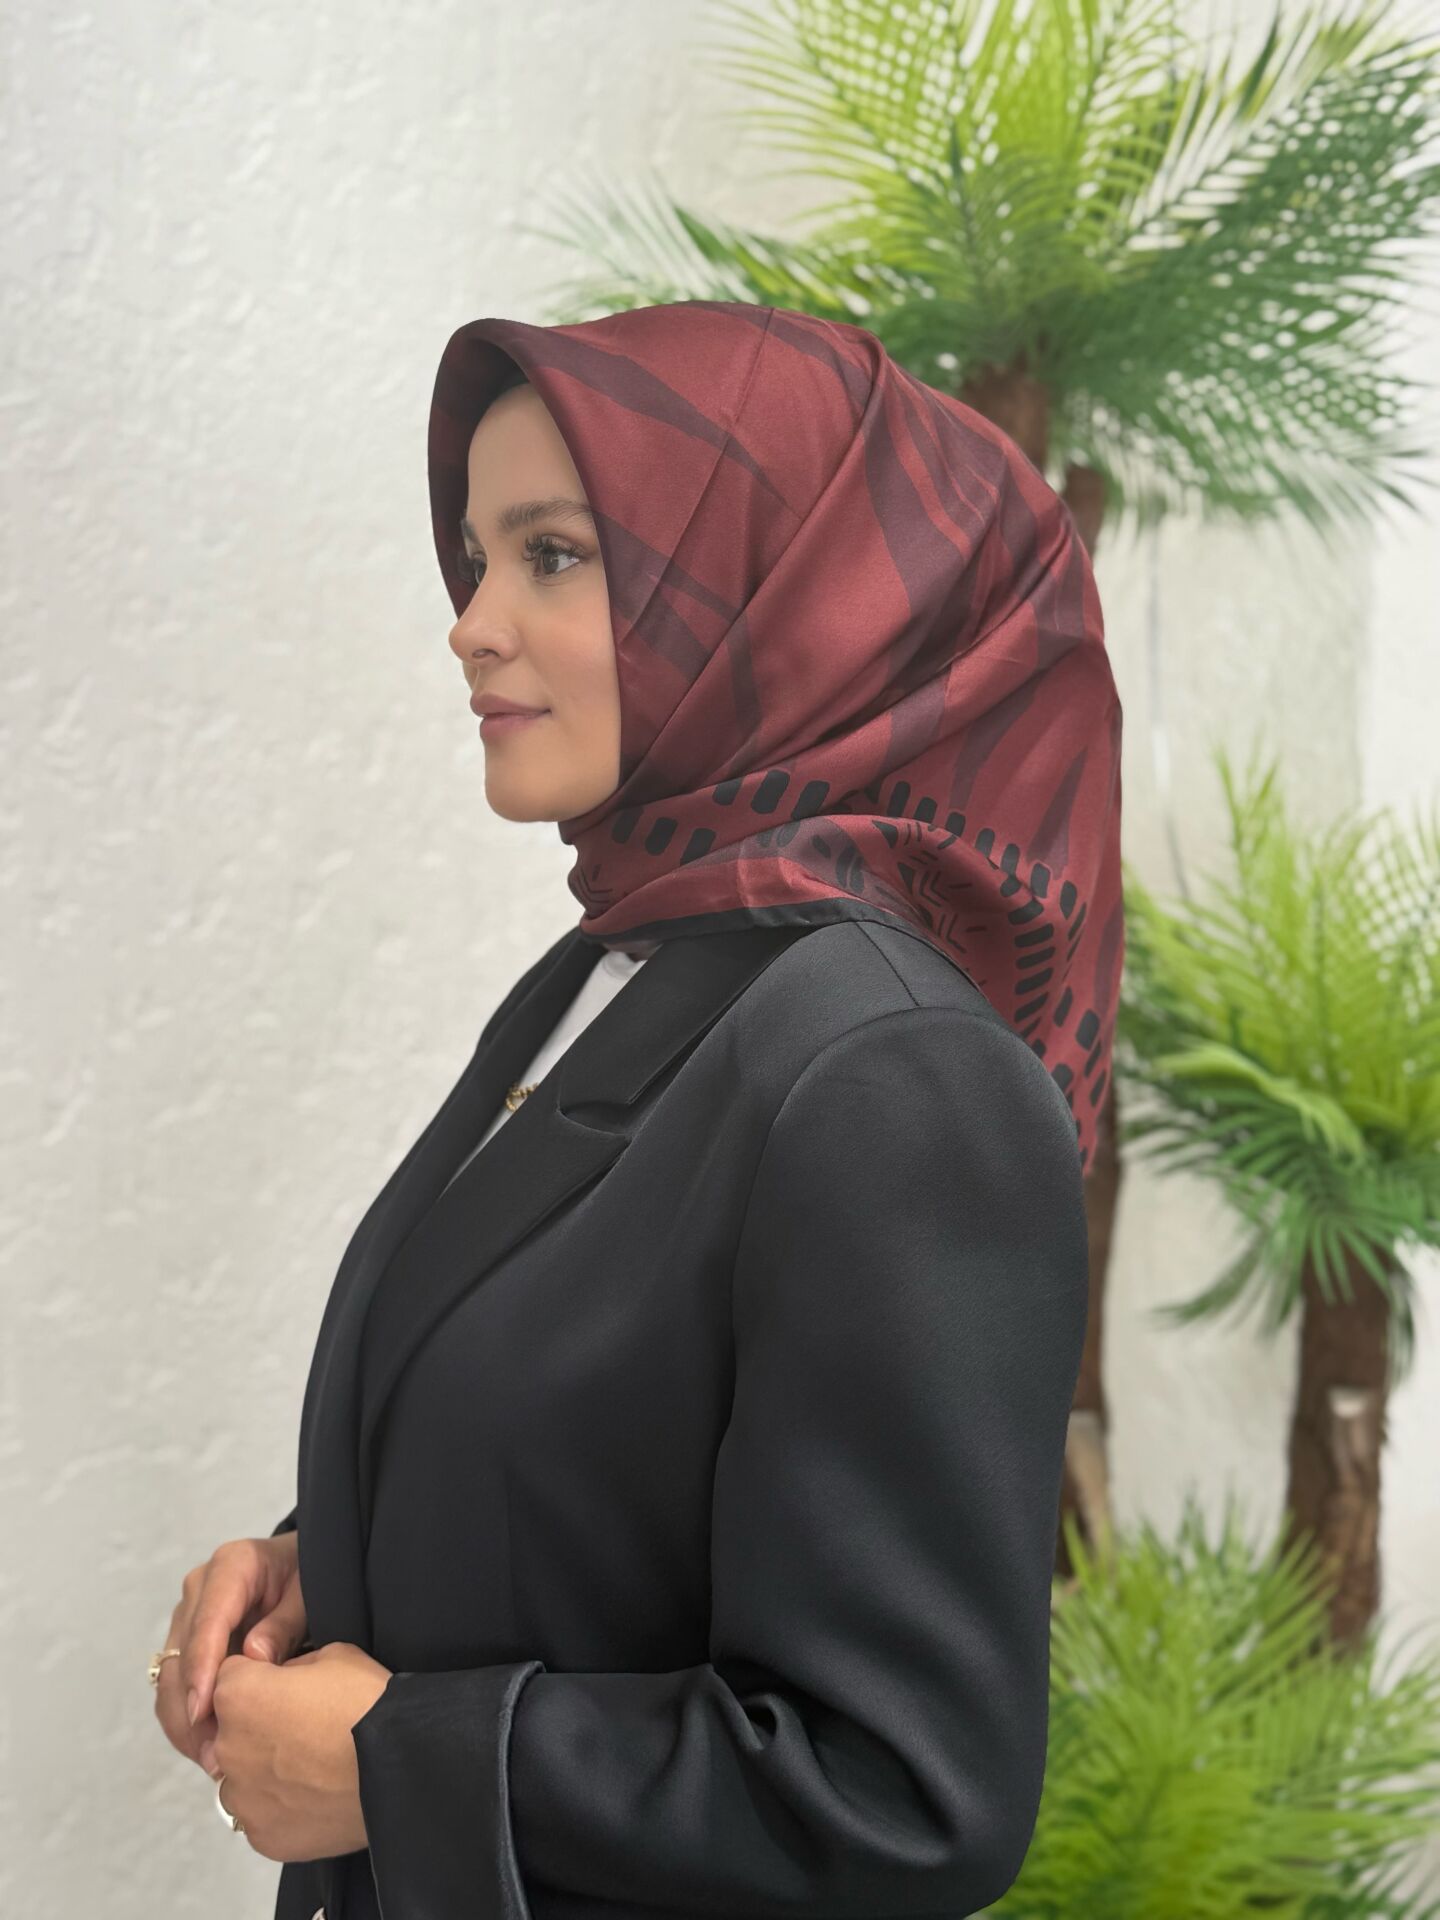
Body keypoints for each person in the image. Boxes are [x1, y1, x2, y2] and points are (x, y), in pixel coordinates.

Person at [150, 300, 1124, 1920]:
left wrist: (400, 1763)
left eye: (554, 555)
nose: (471, 623)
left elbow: (902, 1792)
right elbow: (623, 1457)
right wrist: (336, 1555)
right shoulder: (630, 972)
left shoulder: (893, 1069)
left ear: (792, 600)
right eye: (477, 557)